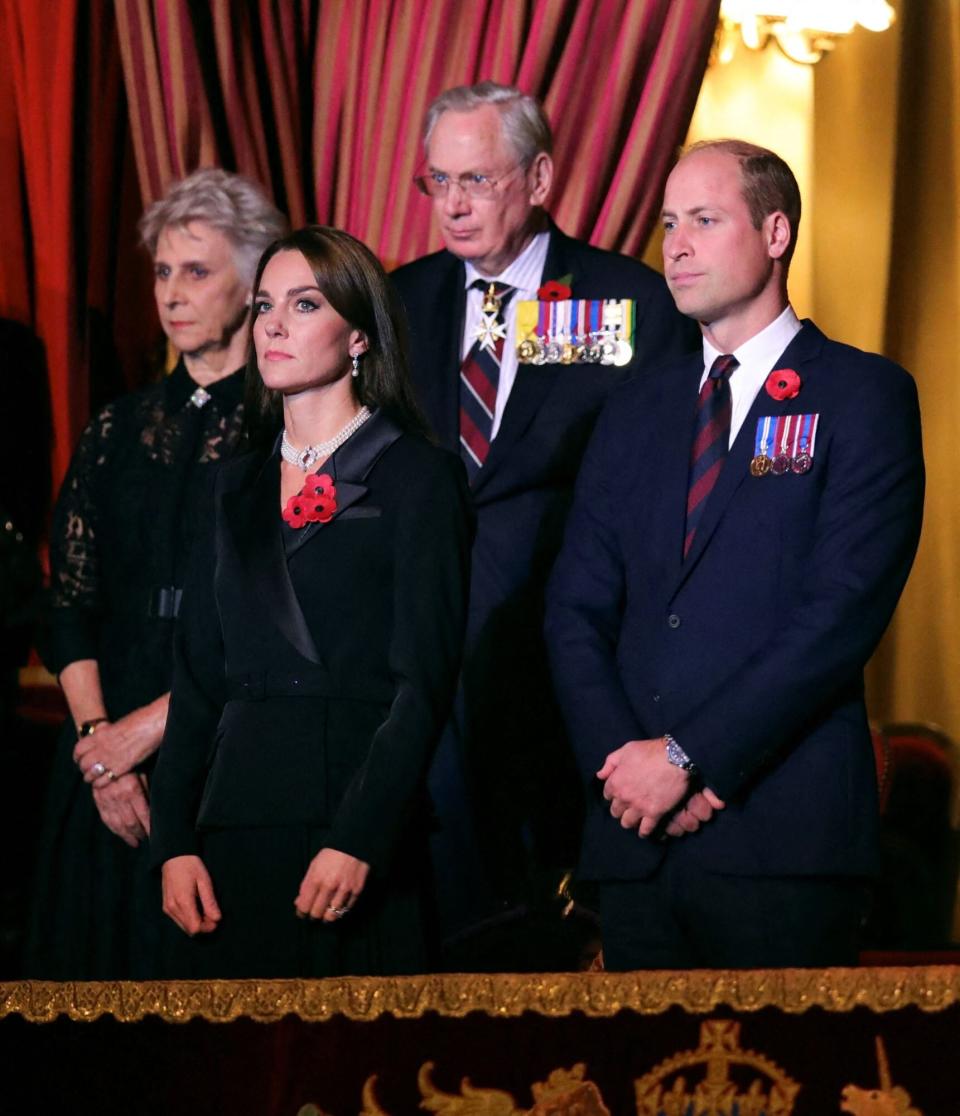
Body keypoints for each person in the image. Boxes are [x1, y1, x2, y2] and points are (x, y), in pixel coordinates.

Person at [545, 140, 924, 970]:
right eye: (669, 223)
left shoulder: (864, 395)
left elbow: (841, 612)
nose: (675, 246)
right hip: (635, 840)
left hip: (782, 834)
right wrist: (628, 774)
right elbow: (574, 609)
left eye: (705, 222)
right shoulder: (634, 407)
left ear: (776, 231)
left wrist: (692, 761)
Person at [391, 81, 698, 968]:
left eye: (476, 181)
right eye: (436, 182)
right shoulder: (397, 303)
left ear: (539, 176)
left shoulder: (624, 303)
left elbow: (662, 501)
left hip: (570, 678)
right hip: (424, 670)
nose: (451, 204)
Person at [149, 227, 472, 979]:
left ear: (358, 336)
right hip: (230, 826)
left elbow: (422, 684)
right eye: (265, 306)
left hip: (355, 821)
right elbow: (196, 683)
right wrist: (174, 843)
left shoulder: (420, 478)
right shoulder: (230, 487)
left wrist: (360, 836)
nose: (273, 325)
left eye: (304, 304)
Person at [25, 169, 287, 979]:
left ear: (252, 284)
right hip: (100, 755)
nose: (172, 294)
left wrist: (148, 731)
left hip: (226, 743)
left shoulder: (289, 428)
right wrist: (101, 744)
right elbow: (68, 604)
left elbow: (285, 623)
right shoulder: (117, 428)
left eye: (197, 271)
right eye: (162, 272)